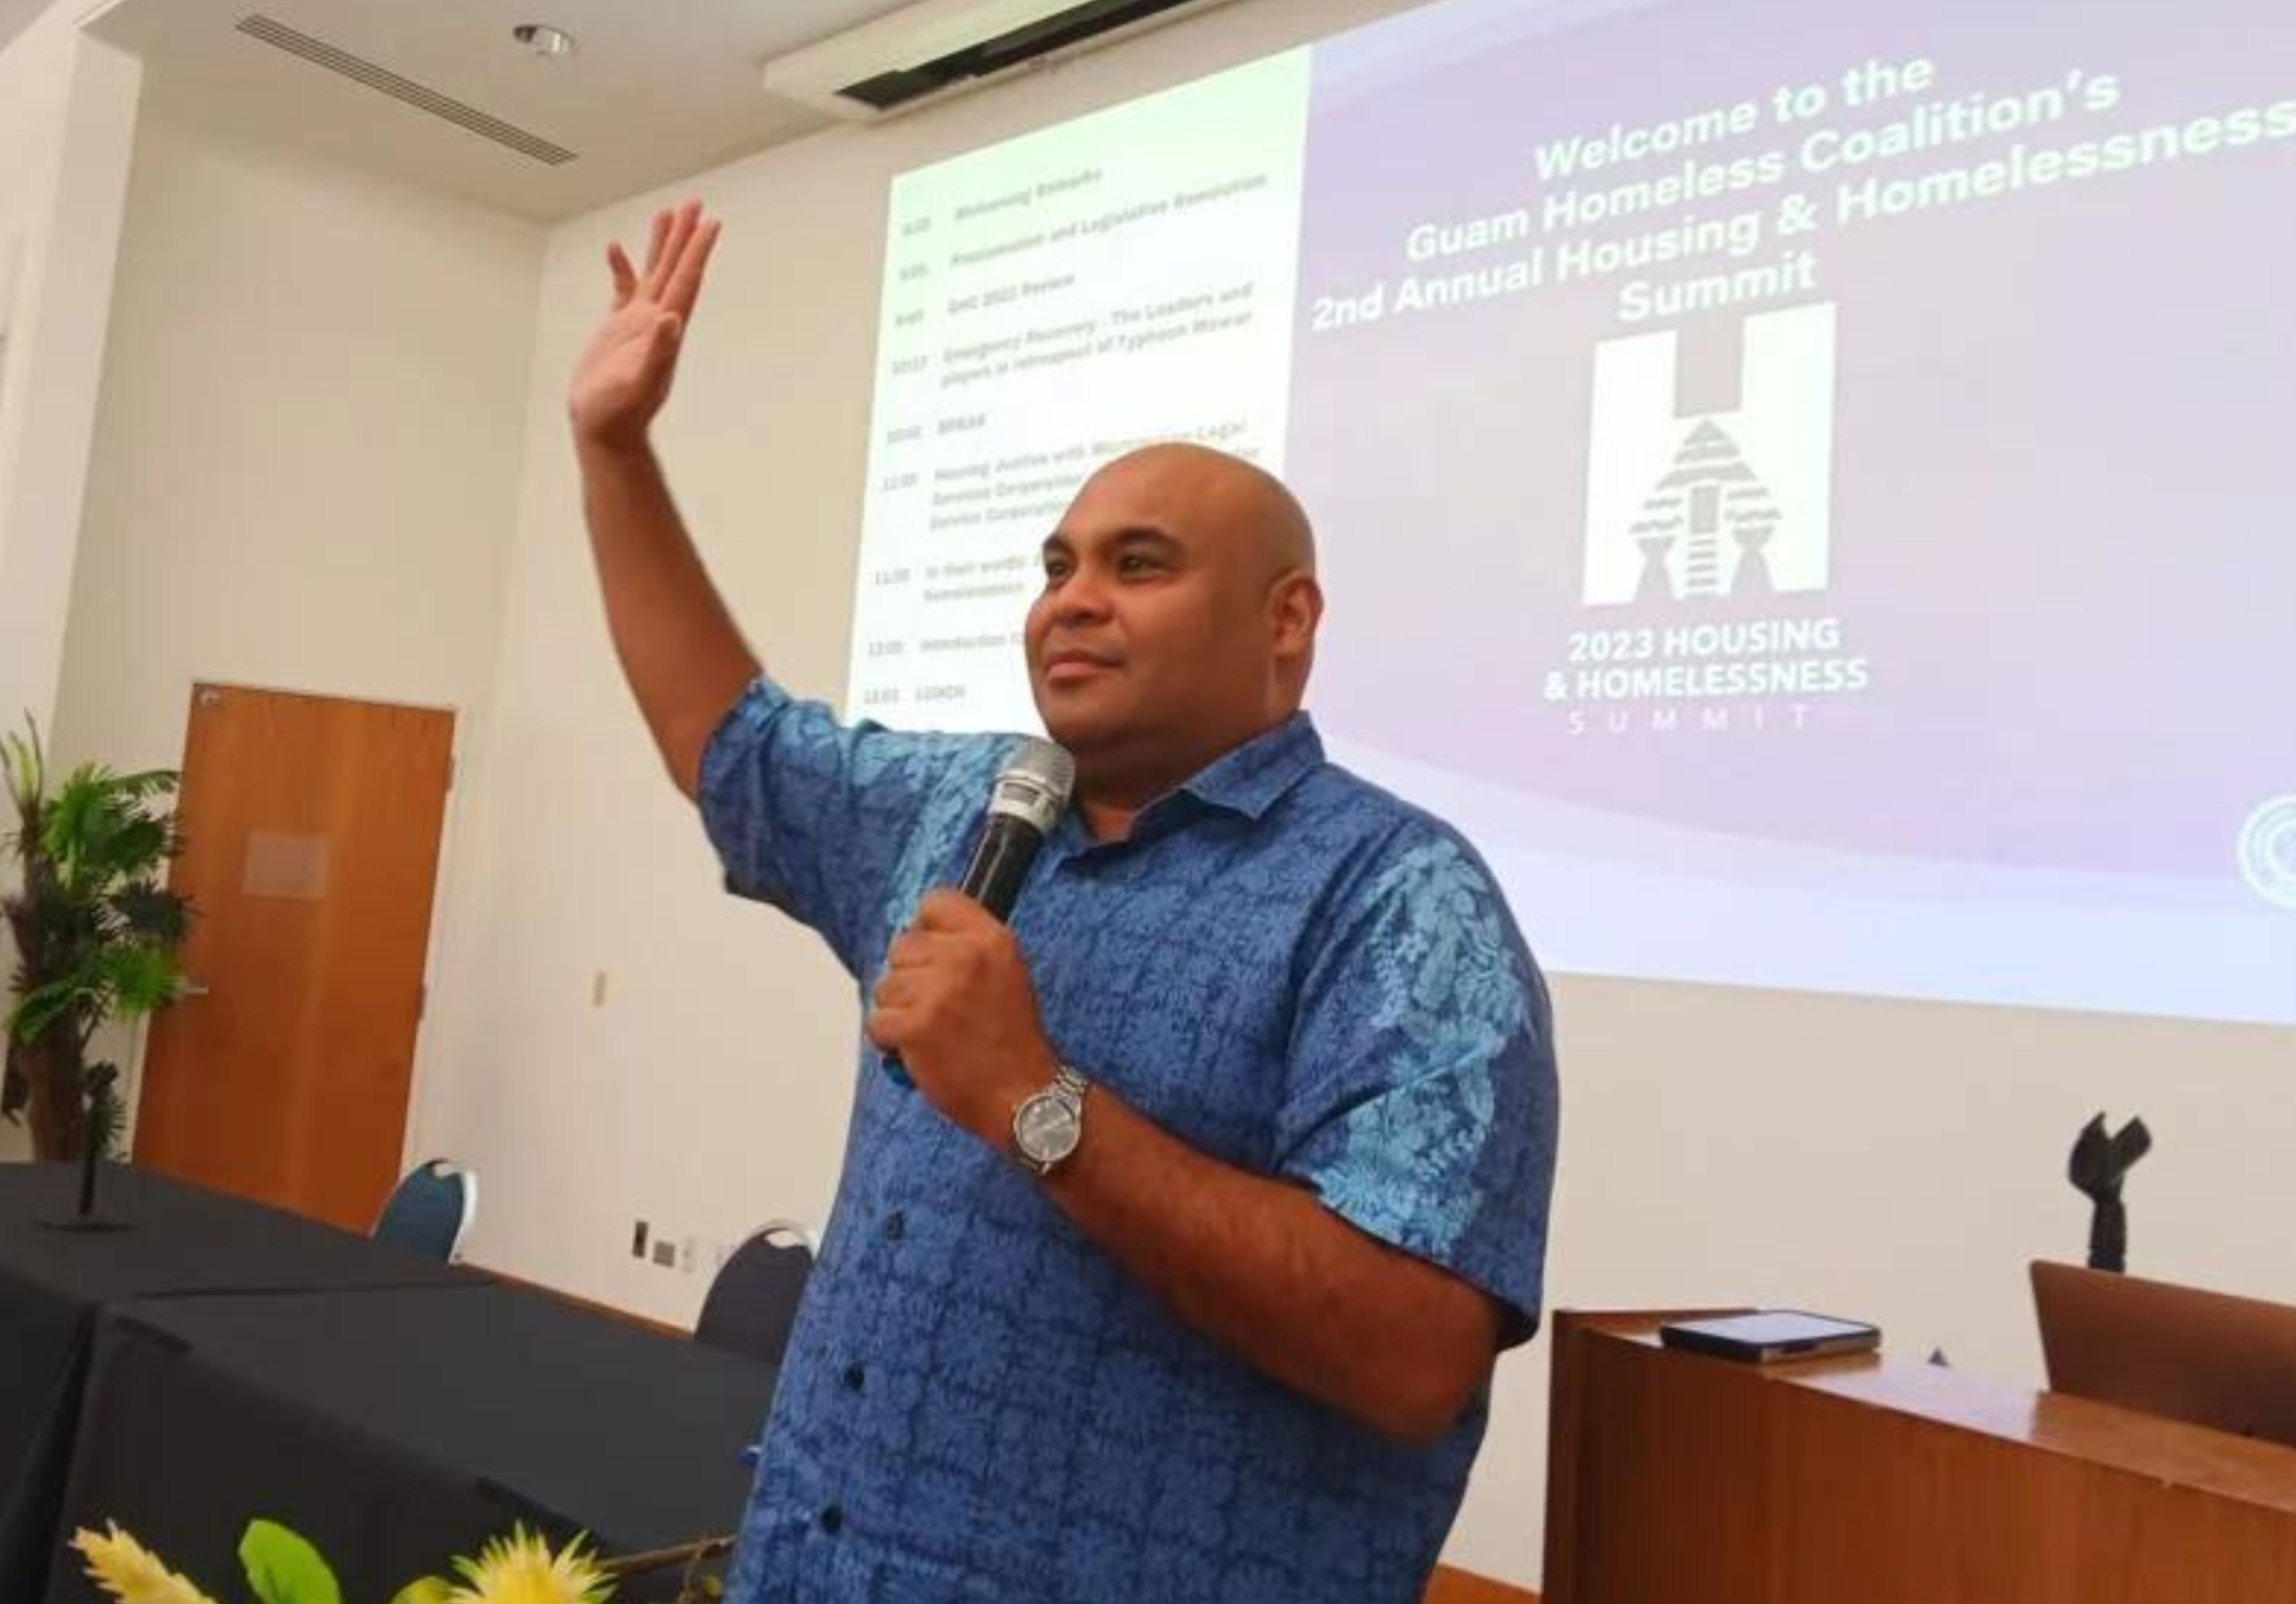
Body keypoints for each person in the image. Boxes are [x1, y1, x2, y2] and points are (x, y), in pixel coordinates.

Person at [571, 199, 1558, 1604]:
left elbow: (1412, 1353)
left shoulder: (1398, 900)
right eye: (1056, 565)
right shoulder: (956, 808)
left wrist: (1038, 1101)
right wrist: (614, 452)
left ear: (1287, 620)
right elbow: (729, 741)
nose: (1069, 602)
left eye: (1137, 564)